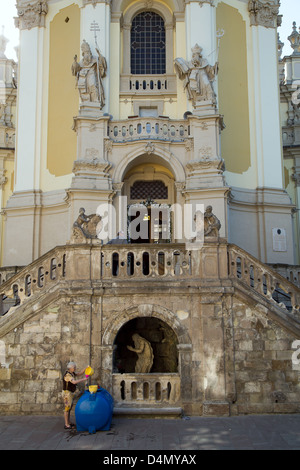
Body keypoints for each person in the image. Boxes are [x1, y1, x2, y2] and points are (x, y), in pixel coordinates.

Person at [62, 361, 88, 429]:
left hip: (69, 393)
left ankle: (69, 422)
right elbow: (74, 382)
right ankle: (66, 424)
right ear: (70, 368)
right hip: (67, 394)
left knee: (69, 408)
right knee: (67, 408)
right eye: (74, 367)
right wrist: (83, 379)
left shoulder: (72, 373)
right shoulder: (67, 375)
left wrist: (85, 368)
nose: (75, 368)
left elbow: (79, 373)